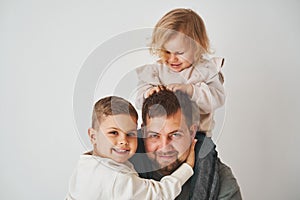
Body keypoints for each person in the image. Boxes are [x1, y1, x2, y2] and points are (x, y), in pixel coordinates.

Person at [66, 96, 198, 200]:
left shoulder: (86, 163)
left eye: (130, 134)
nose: (123, 141)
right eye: (113, 133)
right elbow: (161, 194)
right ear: (93, 136)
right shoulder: (115, 178)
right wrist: (188, 167)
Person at [130, 89, 242, 199]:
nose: (164, 146)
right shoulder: (122, 169)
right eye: (154, 135)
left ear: (192, 133)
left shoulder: (221, 180)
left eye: (175, 135)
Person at [135, 8, 225, 137]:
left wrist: (191, 90)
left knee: (204, 154)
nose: (172, 59)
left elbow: (216, 99)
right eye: (166, 52)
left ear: (197, 47)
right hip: (160, 134)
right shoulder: (157, 70)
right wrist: (147, 93)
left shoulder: (205, 70)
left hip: (197, 135)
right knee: (139, 142)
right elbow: (139, 100)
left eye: (179, 53)